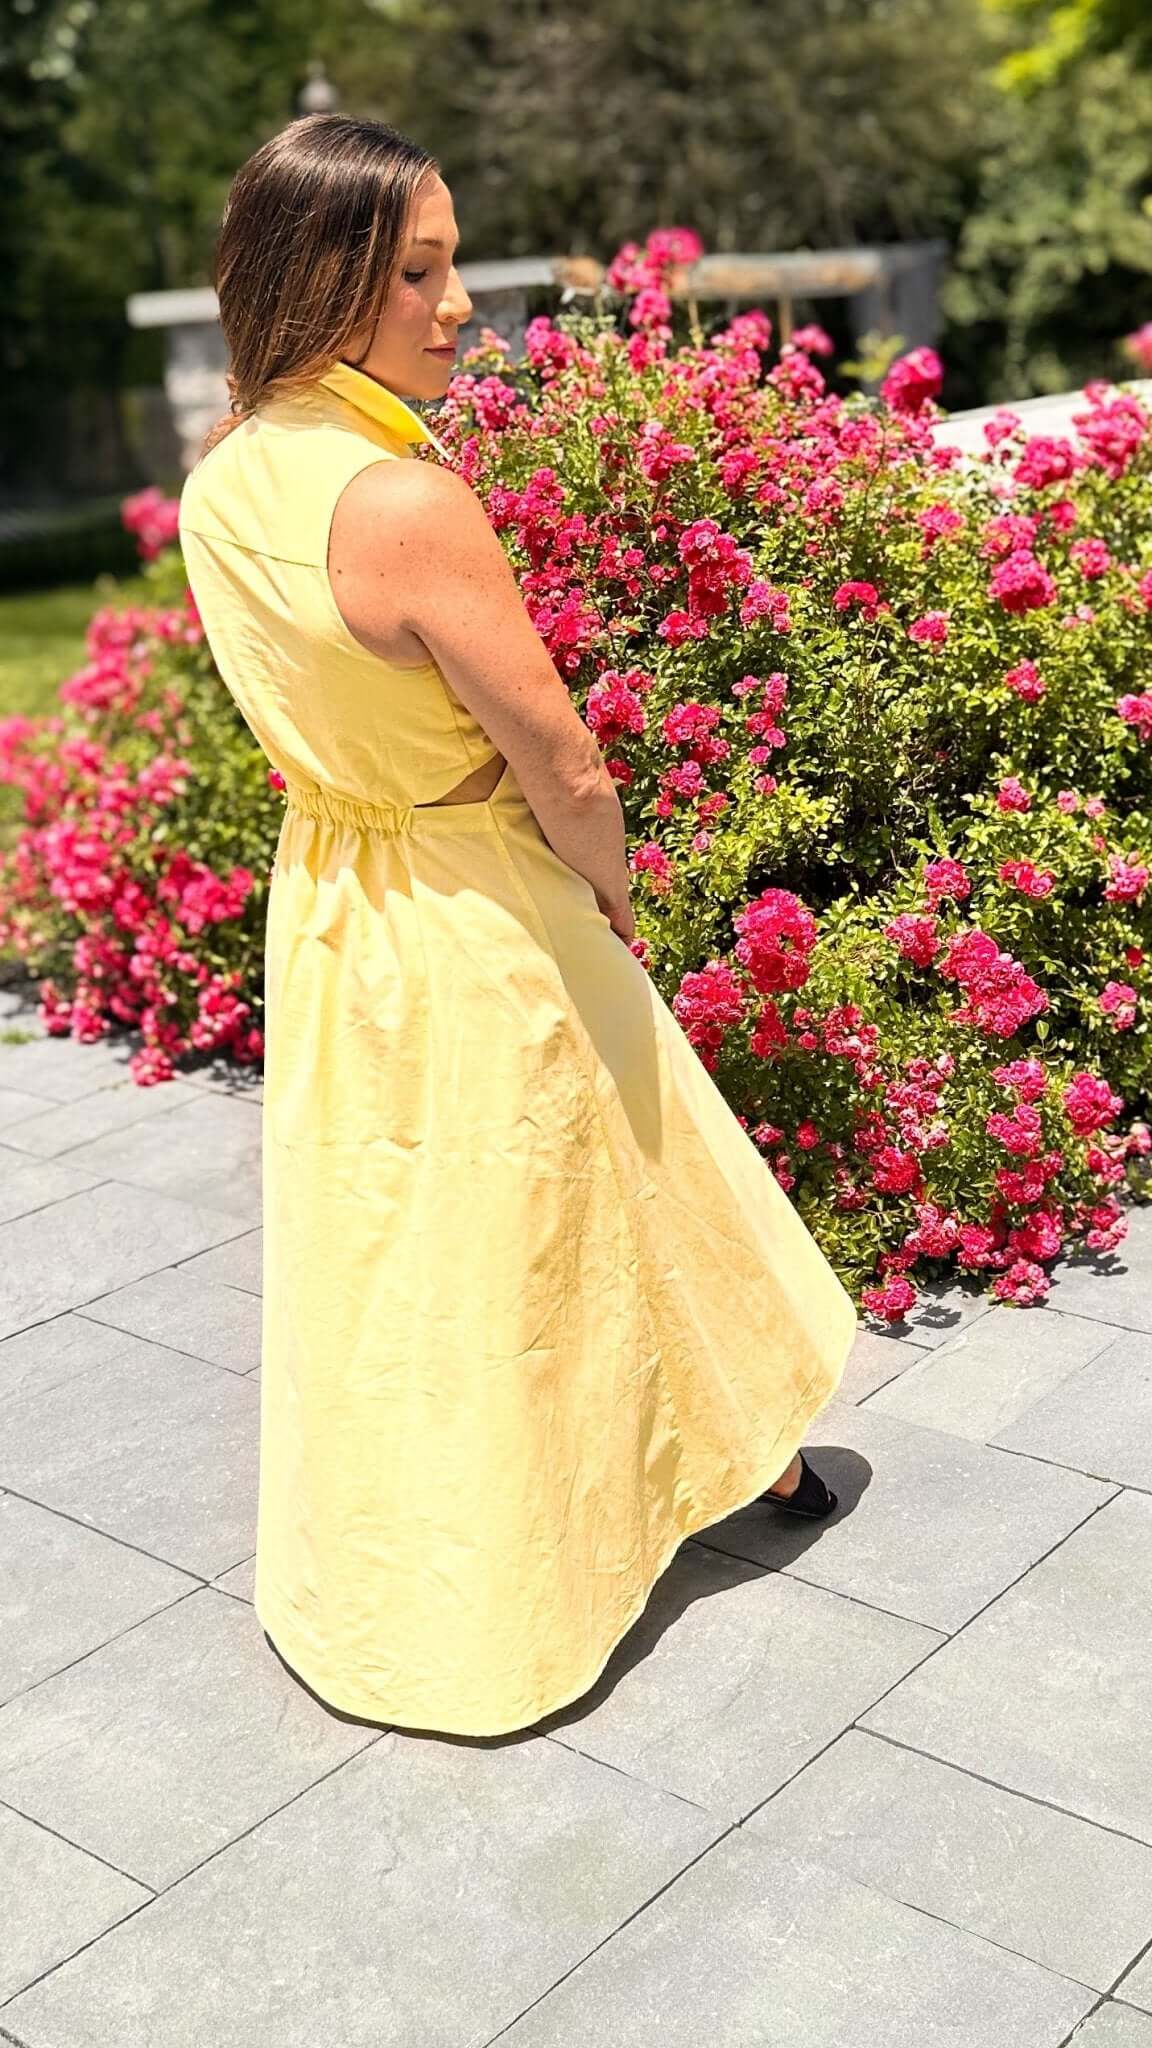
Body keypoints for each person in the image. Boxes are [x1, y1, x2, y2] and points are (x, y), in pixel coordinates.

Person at [178, 112, 858, 1741]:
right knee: (595, 1188)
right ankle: (589, 1540)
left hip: (338, 899)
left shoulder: (224, 480)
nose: (461, 303)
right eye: (419, 271)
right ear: (322, 276)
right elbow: (562, 758)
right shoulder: (398, 500)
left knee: (396, 1236)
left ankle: (411, 1556)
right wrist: (608, 884)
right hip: (473, 892)